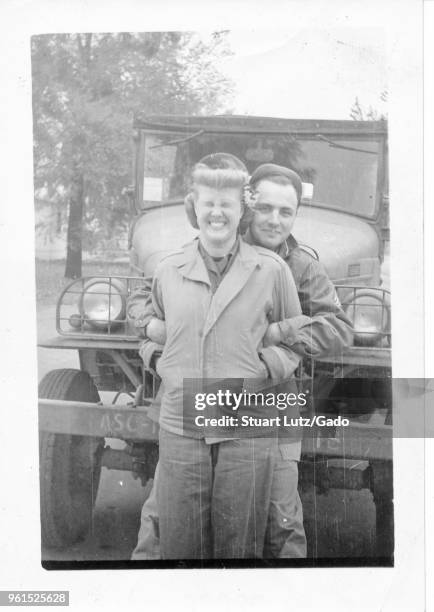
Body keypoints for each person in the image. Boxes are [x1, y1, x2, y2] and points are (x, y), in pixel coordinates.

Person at [129, 162, 353, 560]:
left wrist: (273, 346)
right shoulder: (201, 250)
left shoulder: (298, 267)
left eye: (286, 212)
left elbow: (337, 328)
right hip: (190, 408)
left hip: (265, 405)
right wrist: (155, 342)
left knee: (278, 520)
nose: (273, 219)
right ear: (249, 207)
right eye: (265, 207)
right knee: (163, 522)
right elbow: (148, 304)